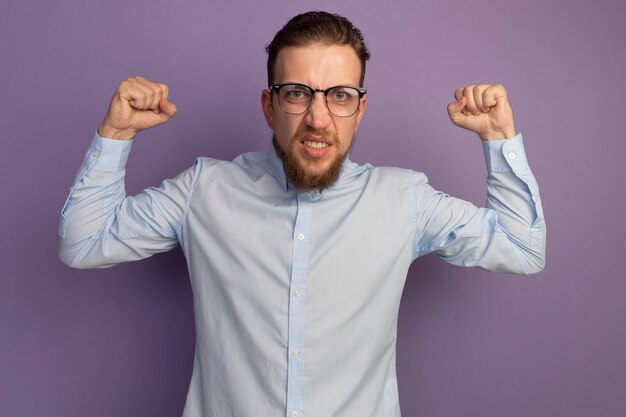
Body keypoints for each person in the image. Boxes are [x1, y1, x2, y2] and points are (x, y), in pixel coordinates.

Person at [58, 10, 545, 417]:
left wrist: (498, 140)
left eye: (339, 96)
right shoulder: (203, 191)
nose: (318, 117)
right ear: (270, 107)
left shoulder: (405, 200)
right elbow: (82, 243)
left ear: (360, 109)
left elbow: (523, 249)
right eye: (297, 93)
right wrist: (115, 135)